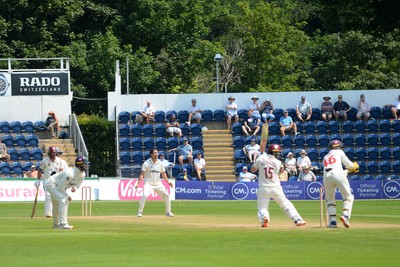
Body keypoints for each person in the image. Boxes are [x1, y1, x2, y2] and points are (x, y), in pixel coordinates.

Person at [251, 144, 306, 228]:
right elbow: (278, 170)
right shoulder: (278, 162)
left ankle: (264, 217)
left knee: (262, 207)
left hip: (263, 187)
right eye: (277, 152)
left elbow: (252, 170)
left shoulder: (261, 158)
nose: (278, 154)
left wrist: (259, 159)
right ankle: (297, 219)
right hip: (276, 187)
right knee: (286, 204)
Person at [43, 156, 89, 229]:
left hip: (57, 185)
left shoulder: (82, 174)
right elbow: (60, 187)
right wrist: (67, 196)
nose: (87, 165)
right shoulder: (70, 173)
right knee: (64, 201)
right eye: (85, 164)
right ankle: (63, 224)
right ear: (80, 164)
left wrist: (73, 187)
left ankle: (56, 225)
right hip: (51, 183)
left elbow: (76, 185)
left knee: (56, 205)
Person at [323, 140, 359, 228]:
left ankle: (332, 222)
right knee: (348, 197)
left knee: (330, 199)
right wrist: (354, 167)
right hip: (338, 174)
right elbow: (350, 165)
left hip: (326, 177)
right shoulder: (339, 152)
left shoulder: (325, 156)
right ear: (338, 147)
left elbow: (333, 169)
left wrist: (347, 170)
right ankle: (345, 215)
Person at [134, 149, 174, 217]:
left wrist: (168, 182)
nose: (157, 154)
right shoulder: (146, 163)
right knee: (145, 196)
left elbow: (163, 174)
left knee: (166, 195)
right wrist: (138, 183)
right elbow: (142, 174)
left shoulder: (160, 163)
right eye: (155, 153)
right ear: (151, 154)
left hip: (158, 184)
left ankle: (168, 212)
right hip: (148, 183)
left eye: (157, 153)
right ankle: (139, 212)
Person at [34, 146, 69, 218]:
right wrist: (38, 180)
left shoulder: (59, 161)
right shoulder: (45, 161)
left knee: (56, 196)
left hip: (56, 180)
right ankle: (48, 213)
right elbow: (40, 170)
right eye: (53, 153)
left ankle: (57, 212)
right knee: (48, 195)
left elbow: (61, 171)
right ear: (49, 153)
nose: (54, 154)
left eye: (55, 153)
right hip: (47, 180)